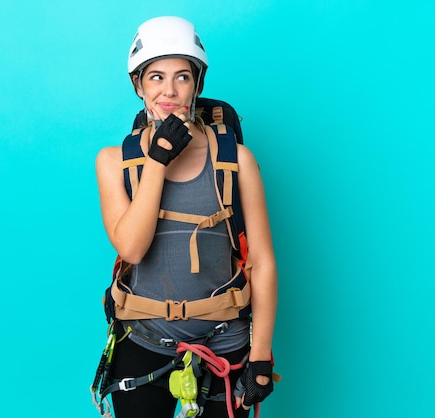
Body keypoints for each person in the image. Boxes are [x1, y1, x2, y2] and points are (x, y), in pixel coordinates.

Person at [95, 16, 278, 418]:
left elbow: (262, 262)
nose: (169, 91)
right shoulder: (114, 162)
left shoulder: (237, 161)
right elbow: (132, 248)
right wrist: (157, 161)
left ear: (198, 85)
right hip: (143, 339)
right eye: (156, 77)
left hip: (224, 341)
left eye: (183, 77)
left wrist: (261, 354)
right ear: (138, 85)